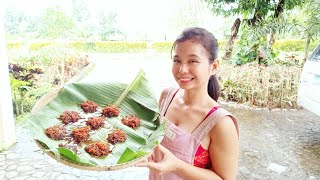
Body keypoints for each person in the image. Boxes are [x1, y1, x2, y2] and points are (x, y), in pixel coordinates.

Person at [137, 27, 239, 180]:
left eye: (193, 61)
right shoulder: (167, 97)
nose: (182, 69)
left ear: (214, 66)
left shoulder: (221, 123)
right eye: (177, 60)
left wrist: (178, 166)